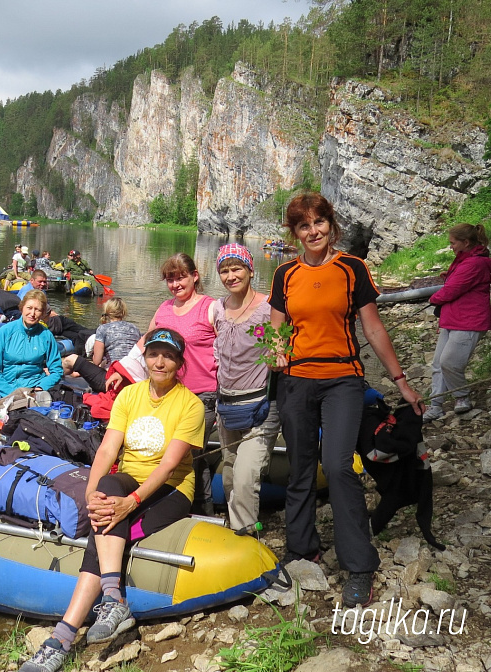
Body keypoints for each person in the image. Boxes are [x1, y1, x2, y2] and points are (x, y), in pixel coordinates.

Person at [268, 191, 424, 608]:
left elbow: (372, 329)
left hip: (343, 378)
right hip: (296, 382)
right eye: (304, 226)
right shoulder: (284, 275)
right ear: (295, 233)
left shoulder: (352, 268)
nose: (313, 231)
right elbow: (275, 331)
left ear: (331, 225)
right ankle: (302, 549)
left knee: (337, 465)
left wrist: (401, 381)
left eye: (319, 223)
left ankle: (359, 566)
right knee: (299, 467)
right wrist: (275, 350)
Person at [19, 328, 205, 672]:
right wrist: (92, 494)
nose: (159, 362)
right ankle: (112, 598)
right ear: (145, 358)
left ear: (179, 362)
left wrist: (131, 502)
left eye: (168, 356)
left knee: (106, 526)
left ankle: (60, 639)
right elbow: (107, 449)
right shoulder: (129, 395)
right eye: (153, 354)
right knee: (106, 490)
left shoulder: (190, 405)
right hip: (130, 478)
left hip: (173, 489)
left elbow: (167, 466)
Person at [139, 253, 218, 516]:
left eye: (181, 277)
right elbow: (145, 343)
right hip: (168, 395)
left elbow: (229, 347)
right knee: (191, 457)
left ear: (195, 276)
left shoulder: (210, 307)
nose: (175, 284)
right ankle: (200, 509)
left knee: (185, 455)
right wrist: (117, 370)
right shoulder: (164, 309)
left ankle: (193, 510)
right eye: (170, 279)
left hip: (201, 396)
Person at [212, 244, 280, 531]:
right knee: (229, 476)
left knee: (244, 477)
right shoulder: (217, 309)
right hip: (225, 407)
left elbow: (282, 346)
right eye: (224, 271)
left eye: (236, 268)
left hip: (260, 407)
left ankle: (245, 537)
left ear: (250, 270)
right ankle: (234, 526)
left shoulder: (268, 309)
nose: (230, 276)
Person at [423, 223, 491, 421]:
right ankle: (435, 405)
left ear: (466, 242)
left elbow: (453, 290)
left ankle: (461, 397)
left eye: (453, 243)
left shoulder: (474, 263)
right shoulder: (465, 260)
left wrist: (433, 299)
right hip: (453, 318)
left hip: (469, 320)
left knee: (450, 362)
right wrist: (449, 276)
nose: (451, 247)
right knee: (438, 364)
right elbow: (460, 281)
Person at [0, 289, 63, 397]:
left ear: (42, 313)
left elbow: (57, 370)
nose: (32, 314)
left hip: (35, 388)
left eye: (37, 310)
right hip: (8, 387)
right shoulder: (5, 332)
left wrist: (41, 387)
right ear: (22, 308)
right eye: (29, 308)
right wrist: (11, 393)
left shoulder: (46, 335)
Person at [92, 297, 140, 367]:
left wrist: (93, 354)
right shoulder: (135, 328)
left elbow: (97, 361)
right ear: (124, 312)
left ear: (107, 311)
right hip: (132, 370)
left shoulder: (102, 329)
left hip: (113, 370)